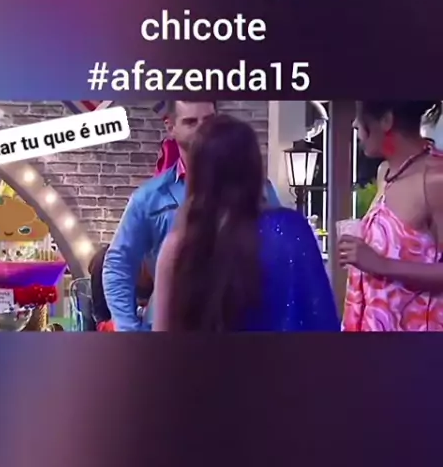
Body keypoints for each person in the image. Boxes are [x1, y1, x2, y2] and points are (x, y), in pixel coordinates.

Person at [103, 101, 281, 331]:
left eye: (208, 120)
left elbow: (281, 258)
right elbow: (119, 263)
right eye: (190, 122)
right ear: (171, 127)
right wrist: (129, 330)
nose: (201, 129)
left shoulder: (259, 191)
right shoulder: (150, 199)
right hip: (173, 327)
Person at [152, 114, 339, 332]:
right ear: (254, 169)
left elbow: (162, 339)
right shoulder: (291, 230)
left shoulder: (179, 245)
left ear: (198, 174)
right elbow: (322, 321)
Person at [340, 101, 443, 331]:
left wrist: (381, 264)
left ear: (386, 120)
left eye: (360, 116)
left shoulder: (436, 179)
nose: (355, 124)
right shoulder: (385, 173)